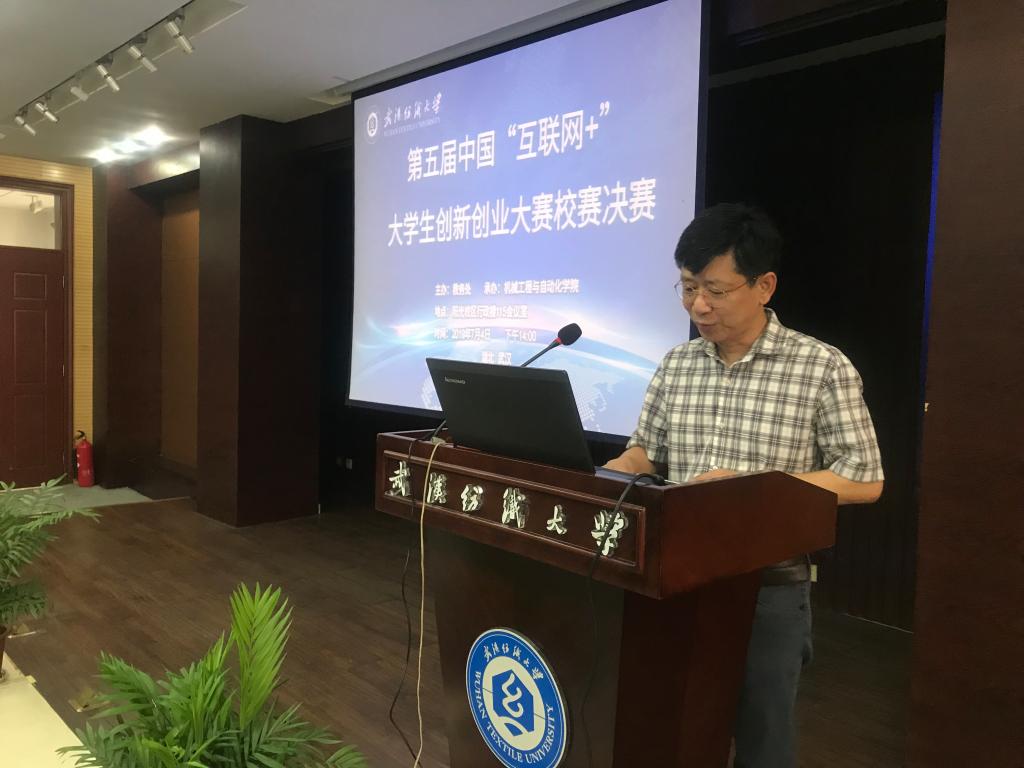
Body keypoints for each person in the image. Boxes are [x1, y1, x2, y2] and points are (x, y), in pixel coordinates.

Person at [604, 203, 884, 768]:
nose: (698, 306)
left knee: (763, 738)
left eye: (715, 290)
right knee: (670, 727)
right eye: (687, 288)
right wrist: (608, 473)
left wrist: (755, 490)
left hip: (768, 588)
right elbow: (646, 451)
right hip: (674, 576)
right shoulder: (677, 364)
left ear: (764, 286)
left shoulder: (821, 367)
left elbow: (865, 479)